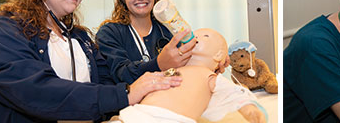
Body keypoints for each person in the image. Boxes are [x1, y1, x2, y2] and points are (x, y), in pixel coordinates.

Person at [0, 0, 183, 122]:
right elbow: (37, 91)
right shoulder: (1, 30)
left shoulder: (80, 38)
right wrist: (126, 94)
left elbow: (106, 81)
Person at [113, 28, 265, 123]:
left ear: (218, 55)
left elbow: (234, 94)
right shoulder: (173, 69)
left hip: (166, 119)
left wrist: (250, 110)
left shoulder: (209, 77)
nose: (194, 36)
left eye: (204, 36)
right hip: (133, 115)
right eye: (195, 34)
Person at [96, 0, 196, 84]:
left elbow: (186, 65)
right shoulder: (109, 33)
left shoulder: (167, 30)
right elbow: (121, 74)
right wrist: (158, 64)